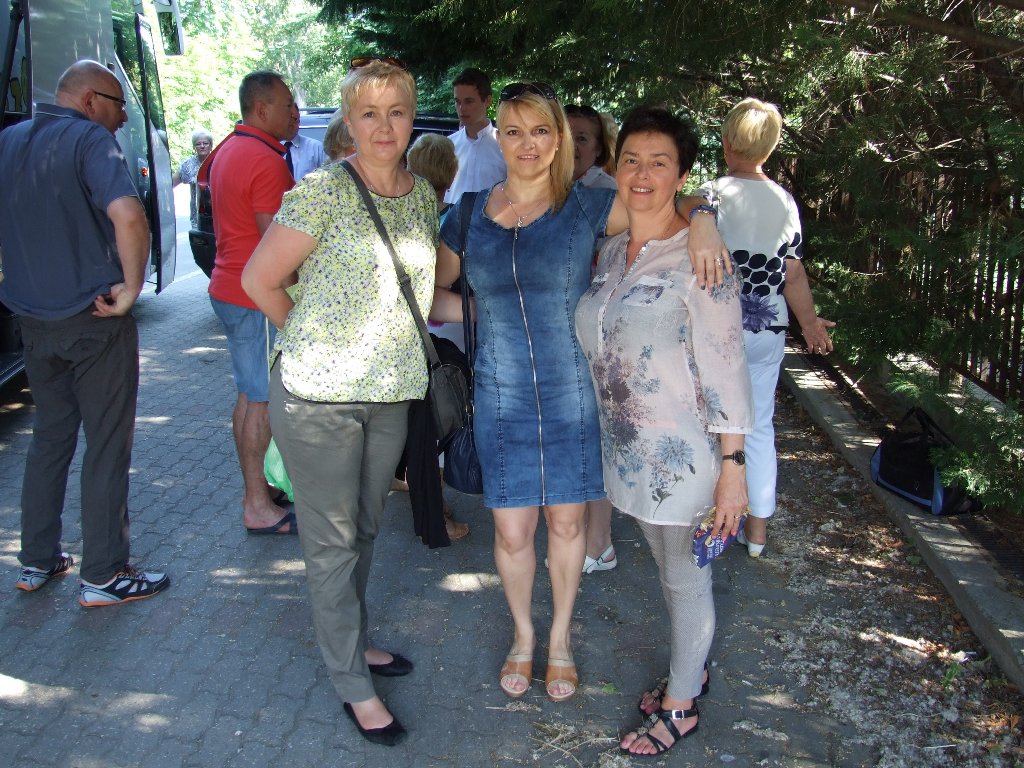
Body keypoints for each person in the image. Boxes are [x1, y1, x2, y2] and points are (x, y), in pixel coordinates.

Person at [431, 83, 731, 704]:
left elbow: (662, 196)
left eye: (541, 130)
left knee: (567, 526)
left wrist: (704, 218)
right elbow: (433, 295)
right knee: (511, 532)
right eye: (514, 131)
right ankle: (523, 635)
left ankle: (560, 638)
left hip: (573, 395)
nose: (527, 144)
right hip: (499, 395)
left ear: (559, 139)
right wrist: (488, 314)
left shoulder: (589, 207)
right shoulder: (467, 214)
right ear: (498, 138)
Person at [241, 58, 432, 747]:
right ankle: (353, 683)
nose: (384, 127)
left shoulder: (421, 194)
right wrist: (312, 340)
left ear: (412, 117)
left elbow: (420, 285)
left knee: (367, 529)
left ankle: (355, 641)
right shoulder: (321, 191)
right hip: (318, 398)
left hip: (390, 393)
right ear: (348, 122)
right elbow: (259, 280)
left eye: (396, 112)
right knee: (330, 544)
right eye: (368, 114)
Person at [576, 105, 753, 755]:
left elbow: (728, 367)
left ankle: (682, 706)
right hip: (630, 455)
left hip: (686, 459)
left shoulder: (701, 260)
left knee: (684, 577)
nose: (642, 174)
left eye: (659, 163)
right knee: (667, 569)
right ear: (615, 166)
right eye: (631, 160)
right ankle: (690, 667)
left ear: (681, 176)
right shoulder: (611, 250)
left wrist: (733, 469)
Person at [0, 60, 169, 606]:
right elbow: (129, 217)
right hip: (94, 319)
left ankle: (37, 560)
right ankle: (104, 574)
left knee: (50, 439)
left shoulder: (9, 141)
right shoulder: (91, 141)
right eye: (119, 105)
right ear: (91, 99)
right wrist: (132, 288)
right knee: (107, 445)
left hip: (32, 320)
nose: (122, 119)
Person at [698, 97, 834, 557]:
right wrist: (810, 324)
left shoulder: (710, 195)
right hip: (767, 327)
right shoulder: (785, 201)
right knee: (758, 427)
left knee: (712, 424)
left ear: (726, 142)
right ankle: (757, 532)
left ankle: (710, 522)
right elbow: (793, 274)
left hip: (716, 326)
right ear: (771, 148)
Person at [208, 70, 297, 535]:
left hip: (229, 289)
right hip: (254, 298)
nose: (295, 112)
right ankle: (258, 505)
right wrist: (299, 292)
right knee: (261, 399)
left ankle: (260, 490)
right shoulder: (266, 160)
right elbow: (276, 247)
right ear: (261, 109)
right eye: (287, 104)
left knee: (249, 395)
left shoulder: (228, 148)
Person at [404, 132, 469, 542]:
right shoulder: (448, 219)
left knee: (420, 426)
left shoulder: (408, 212)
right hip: (440, 332)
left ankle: (429, 502)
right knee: (437, 422)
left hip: (412, 333)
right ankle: (434, 515)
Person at [564, 103, 617, 575]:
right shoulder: (548, 190)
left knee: (596, 434)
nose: (573, 145)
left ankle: (599, 542)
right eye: (566, 135)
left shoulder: (609, 194)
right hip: (559, 329)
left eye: (583, 137)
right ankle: (574, 532)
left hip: (599, 330)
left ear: (600, 148)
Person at [443, 68, 506, 204]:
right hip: (450, 216)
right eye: (458, 101)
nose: (462, 108)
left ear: (487, 101)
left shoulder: (505, 147)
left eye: (469, 101)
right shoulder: (448, 146)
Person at [565, 104, 616, 189]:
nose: (571, 146)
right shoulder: (551, 186)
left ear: (598, 148)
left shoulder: (608, 190)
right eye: (565, 138)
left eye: (581, 139)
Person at [172, 129, 213, 229]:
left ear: (211, 145)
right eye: (198, 144)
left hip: (219, 215)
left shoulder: (219, 161)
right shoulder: (188, 164)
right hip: (198, 216)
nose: (202, 146)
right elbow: (170, 184)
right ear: (194, 147)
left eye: (205, 143)